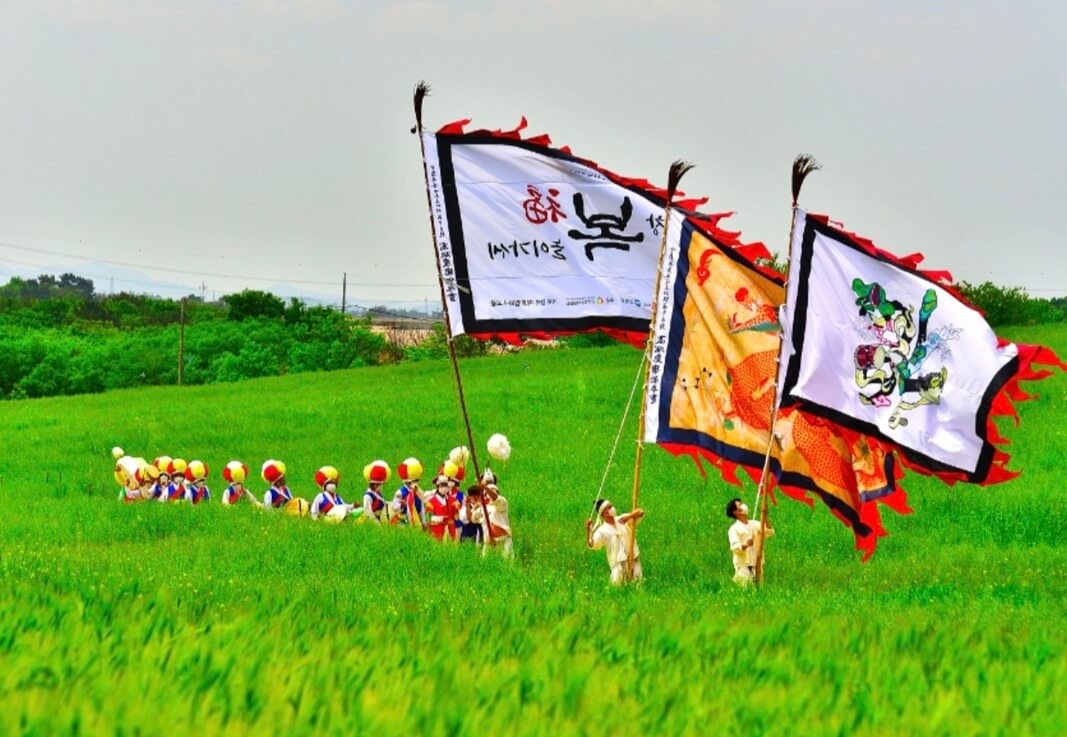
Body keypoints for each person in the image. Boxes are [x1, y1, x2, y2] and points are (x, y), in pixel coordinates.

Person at [585, 499, 645, 585]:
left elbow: (640, 512)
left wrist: (629, 517)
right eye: (609, 507)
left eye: (611, 506)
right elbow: (592, 544)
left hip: (633, 561)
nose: (612, 508)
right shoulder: (602, 530)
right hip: (618, 566)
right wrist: (588, 531)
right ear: (604, 513)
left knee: (637, 587)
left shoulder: (622, 519)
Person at [726, 497, 774, 587]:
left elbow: (769, 531)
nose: (743, 506)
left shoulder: (755, 524)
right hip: (743, 568)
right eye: (740, 505)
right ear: (736, 512)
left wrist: (764, 515)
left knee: (758, 593)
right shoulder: (734, 529)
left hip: (757, 566)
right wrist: (746, 544)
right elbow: (735, 547)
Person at [481, 469, 513, 558]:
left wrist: (485, 487)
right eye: (487, 492)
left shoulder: (503, 502)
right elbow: (472, 518)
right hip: (489, 544)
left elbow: (496, 499)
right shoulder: (483, 507)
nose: (490, 493)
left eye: (493, 491)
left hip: (503, 542)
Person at [391, 457, 425, 527]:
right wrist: (401, 505)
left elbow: (422, 507)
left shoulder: (419, 492)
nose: (414, 483)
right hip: (404, 520)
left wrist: (423, 522)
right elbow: (394, 507)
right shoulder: (400, 493)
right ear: (406, 482)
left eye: (416, 481)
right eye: (412, 482)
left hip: (417, 520)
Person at [425, 474, 460, 541]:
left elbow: (457, 516)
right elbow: (428, 518)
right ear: (437, 487)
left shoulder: (453, 500)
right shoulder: (431, 502)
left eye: (446, 486)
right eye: (442, 486)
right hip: (437, 529)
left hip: (451, 529)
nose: (444, 488)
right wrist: (441, 519)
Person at [361, 460, 390, 525]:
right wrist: (378, 525)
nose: (381, 486)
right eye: (379, 484)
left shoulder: (378, 494)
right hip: (374, 524)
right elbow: (368, 513)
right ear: (374, 484)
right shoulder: (368, 496)